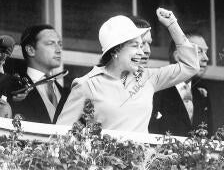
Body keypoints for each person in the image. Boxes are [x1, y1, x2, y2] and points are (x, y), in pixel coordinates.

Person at [57, 8, 200, 133]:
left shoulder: (148, 77)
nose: (142, 52)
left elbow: (191, 66)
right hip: (104, 163)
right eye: (135, 46)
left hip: (143, 163)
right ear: (116, 50)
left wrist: (172, 25)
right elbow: (60, 134)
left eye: (141, 45)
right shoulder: (87, 85)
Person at [148, 31, 212, 136]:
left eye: (206, 52)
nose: (206, 58)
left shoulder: (202, 92)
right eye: (199, 51)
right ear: (178, 56)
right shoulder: (157, 89)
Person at [9, 24, 69, 124]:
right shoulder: (12, 89)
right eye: (51, 43)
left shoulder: (68, 95)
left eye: (60, 44)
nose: (59, 50)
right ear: (31, 50)